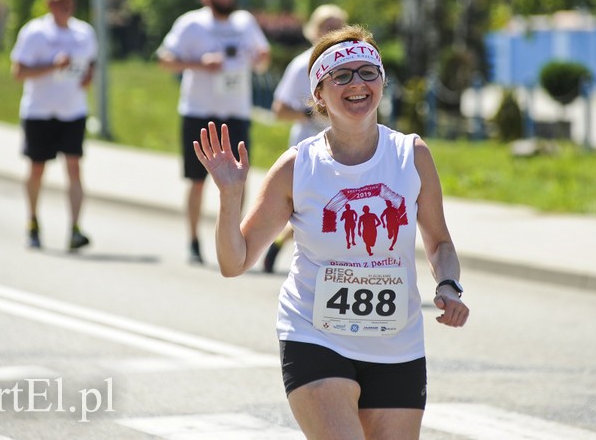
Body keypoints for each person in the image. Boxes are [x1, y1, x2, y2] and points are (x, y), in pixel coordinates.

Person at [194, 24, 469, 439]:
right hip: (314, 336)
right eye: (341, 76)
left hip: (397, 342)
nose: (357, 84)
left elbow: (440, 242)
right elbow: (234, 262)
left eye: (367, 72)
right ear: (319, 94)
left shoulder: (411, 154)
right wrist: (230, 196)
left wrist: (448, 284)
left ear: (382, 82)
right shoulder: (297, 167)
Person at [157, 0, 270, 263]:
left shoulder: (244, 22)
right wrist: (199, 64)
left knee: (239, 178)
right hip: (199, 112)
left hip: (235, 113)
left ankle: (236, 236)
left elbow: (263, 57)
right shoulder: (191, 23)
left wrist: (260, 59)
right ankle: (193, 240)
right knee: (197, 180)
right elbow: (164, 60)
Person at [10, 0, 97, 251]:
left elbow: (90, 64)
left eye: (71, 0)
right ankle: (33, 220)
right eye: (61, 0)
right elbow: (18, 72)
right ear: (50, 4)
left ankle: (74, 228)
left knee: (74, 167)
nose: (67, 4)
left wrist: (87, 77)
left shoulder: (84, 33)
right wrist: (51, 66)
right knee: (37, 168)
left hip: (72, 111)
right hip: (40, 111)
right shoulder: (35, 32)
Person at [263, 4, 348, 272]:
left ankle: (283, 244)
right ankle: (294, 253)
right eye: (326, 26)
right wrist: (314, 114)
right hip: (310, 145)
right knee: (316, 204)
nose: (332, 32)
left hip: (345, 144)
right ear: (313, 30)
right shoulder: (303, 65)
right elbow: (279, 109)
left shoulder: (351, 63)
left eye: (338, 26)